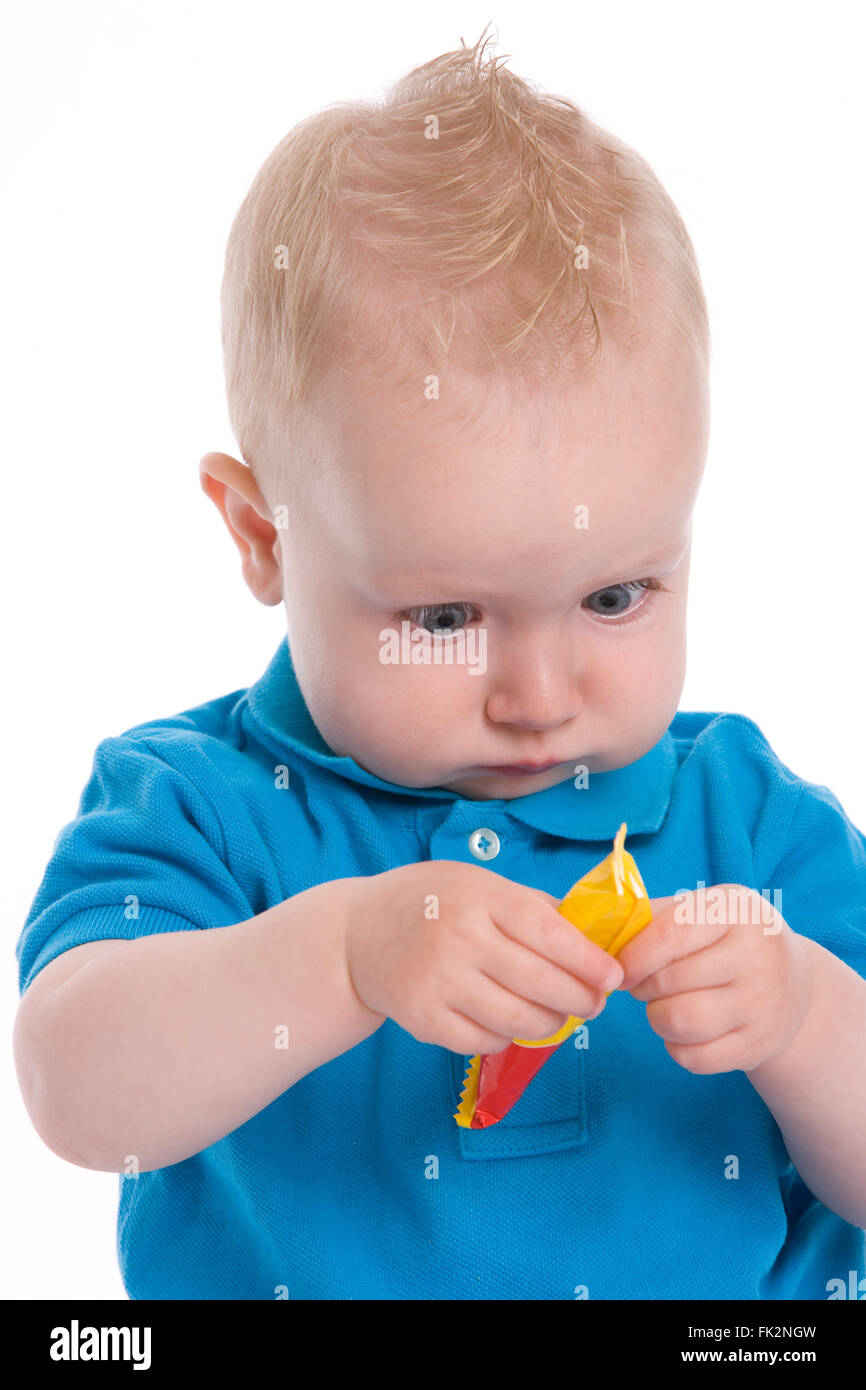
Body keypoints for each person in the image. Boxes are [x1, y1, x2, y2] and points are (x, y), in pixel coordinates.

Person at [13, 29, 866, 1299]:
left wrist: (802, 1018)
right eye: (444, 615)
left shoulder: (746, 822)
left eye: (614, 594)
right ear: (263, 535)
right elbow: (79, 1094)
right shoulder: (196, 806)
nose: (537, 697)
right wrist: (339, 956)